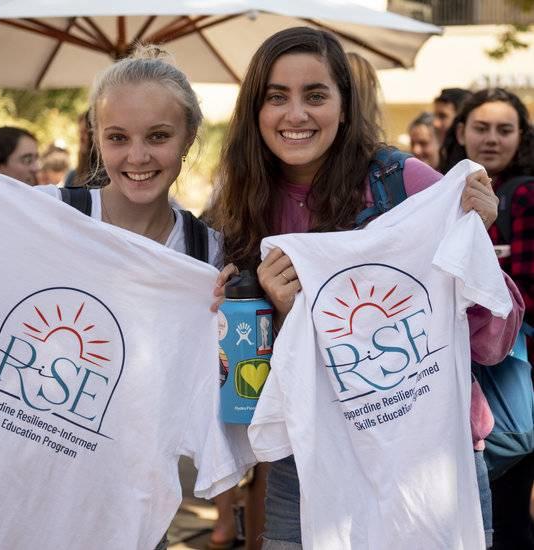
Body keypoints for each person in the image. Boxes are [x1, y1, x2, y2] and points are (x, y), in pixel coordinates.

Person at [210, 27, 524, 549]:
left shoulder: (406, 183)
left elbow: (493, 342)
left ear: (344, 104)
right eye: (276, 97)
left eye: (315, 95)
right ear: (255, 111)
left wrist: (475, 246)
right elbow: (249, 386)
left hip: (427, 456)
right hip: (310, 458)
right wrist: (265, 314)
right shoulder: (243, 206)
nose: (296, 115)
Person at [34, 44, 241, 549]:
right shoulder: (45, 218)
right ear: (96, 139)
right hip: (23, 485)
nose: (138, 156)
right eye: (118, 138)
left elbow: (229, 389)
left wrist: (230, 329)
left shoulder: (208, 256)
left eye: (158, 137)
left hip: (131, 514)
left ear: (189, 137)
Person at [440, 87, 534, 550]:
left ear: (522, 137)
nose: (492, 139)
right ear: (461, 132)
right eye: (481, 128)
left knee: (508, 510)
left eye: (505, 129)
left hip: (514, 373)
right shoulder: (437, 192)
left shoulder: (525, 196)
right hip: (452, 375)